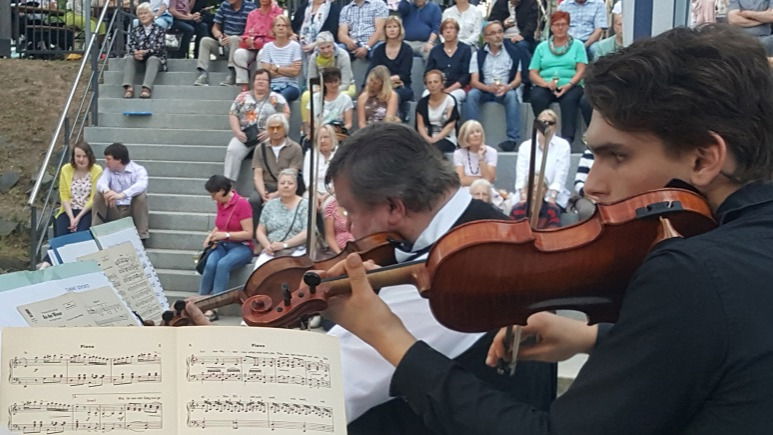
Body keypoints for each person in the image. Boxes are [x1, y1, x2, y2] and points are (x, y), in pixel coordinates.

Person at [319, 24, 773, 433]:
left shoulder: (690, 271)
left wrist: (390, 338)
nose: (592, 184)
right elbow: (729, 338)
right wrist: (595, 337)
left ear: (703, 159)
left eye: (617, 156)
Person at [318, 123, 556, 433]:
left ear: (393, 206)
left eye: (351, 212)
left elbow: (326, 388)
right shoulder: (486, 223)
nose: (349, 228)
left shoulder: (447, 274)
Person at [198, 175, 254, 320]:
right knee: (210, 264)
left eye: (213, 194)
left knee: (223, 264)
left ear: (222, 191)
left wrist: (226, 235)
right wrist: (211, 235)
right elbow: (220, 224)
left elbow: (248, 233)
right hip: (223, 244)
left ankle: (214, 306)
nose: (213, 198)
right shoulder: (220, 202)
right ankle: (201, 302)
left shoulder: (242, 204)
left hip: (241, 246)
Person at [529, 11, 587, 145]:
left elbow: (581, 69)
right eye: (556, 25)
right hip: (546, 84)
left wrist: (569, 84)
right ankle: (542, 133)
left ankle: (567, 139)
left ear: (568, 26)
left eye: (563, 24)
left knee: (570, 100)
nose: (560, 28)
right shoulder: (542, 47)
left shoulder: (578, 45)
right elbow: (533, 72)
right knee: (537, 97)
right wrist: (545, 84)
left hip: (571, 84)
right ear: (551, 27)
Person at [466, 20, 524, 151]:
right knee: (471, 95)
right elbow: (473, 81)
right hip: (485, 89)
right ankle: (471, 135)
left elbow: (518, 79)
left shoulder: (514, 52)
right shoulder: (478, 54)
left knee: (512, 95)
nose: (497, 36)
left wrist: (507, 87)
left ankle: (512, 139)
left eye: (500, 32)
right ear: (486, 38)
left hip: (505, 89)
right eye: (493, 33)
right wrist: (488, 88)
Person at [223, 69, 290, 183]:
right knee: (232, 150)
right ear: (253, 81)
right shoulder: (243, 96)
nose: (261, 82)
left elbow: (286, 113)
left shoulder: (275, 97)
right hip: (246, 134)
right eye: (258, 79)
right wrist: (237, 131)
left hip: (268, 134)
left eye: (264, 79)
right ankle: (229, 185)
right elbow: (233, 113)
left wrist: (271, 131)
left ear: (269, 82)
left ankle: (274, 182)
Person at [510, 109, 571, 228]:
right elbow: (521, 175)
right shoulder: (525, 146)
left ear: (556, 126)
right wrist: (524, 195)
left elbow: (561, 176)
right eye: (543, 122)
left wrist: (551, 196)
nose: (546, 125)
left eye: (550, 123)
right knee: (517, 210)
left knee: (551, 210)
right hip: (527, 192)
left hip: (551, 194)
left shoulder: (563, 146)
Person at [249, 113, 304, 226]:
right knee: (254, 200)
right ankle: (256, 235)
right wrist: (263, 193)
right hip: (266, 185)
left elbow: (293, 174)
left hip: (287, 184)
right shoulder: (260, 148)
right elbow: (257, 174)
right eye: (271, 128)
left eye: (278, 127)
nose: (275, 131)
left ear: (285, 129)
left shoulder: (295, 148)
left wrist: (276, 194)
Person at [93, 143, 150, 241]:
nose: (105, 162)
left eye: (108, 159)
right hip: (113, 208)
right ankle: (97, 233)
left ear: (118, 159)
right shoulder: (108, 171)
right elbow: (100, 183)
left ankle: (142, 236)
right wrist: (107, 192)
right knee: (99, 194)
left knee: (141, 196)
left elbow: (141, 185)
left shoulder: (138, 170)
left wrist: (122, 195)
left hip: (131, 210)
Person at [254, 168, 309, 269]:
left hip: (297, 250)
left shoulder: (305, 205)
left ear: (296, 186)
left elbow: (307, 232)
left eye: (290, 183)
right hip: (272, 250)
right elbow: (260, 231)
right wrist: (267, 246)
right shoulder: (270, 205)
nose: (286, 186)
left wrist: (285, 245)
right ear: (278, 186)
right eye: (282, 183)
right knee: (259, 271)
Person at [193, 0, 256, 86]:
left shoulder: (250, 7)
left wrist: (236, 38)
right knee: (205, 41)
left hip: (240, 46)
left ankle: (232, 73)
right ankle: (203, 73)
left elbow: (252, 31)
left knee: (234, 39)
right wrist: (218, 34)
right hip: (224, 44)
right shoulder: (225, 5)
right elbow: (215, 27)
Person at [301, 31, 357, 126]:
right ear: (318, 48)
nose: (326, 50)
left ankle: (338, 124)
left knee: (343, 96)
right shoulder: (314, 58)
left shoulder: (343, 55)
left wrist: (329, 91)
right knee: (306, 96)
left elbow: (345, 82)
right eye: (322, 48)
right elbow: (311, 81)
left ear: (333, 45)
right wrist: (318, 89)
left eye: (328, 47)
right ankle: (307, 126)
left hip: (343, 86)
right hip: (322, 87)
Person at [366, 16, 414, 116]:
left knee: (392, 95)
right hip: (380, 84)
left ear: (400, 29)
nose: (392, 30)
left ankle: (394, 118)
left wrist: (386, 81)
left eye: (395, 26)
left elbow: (404, 74)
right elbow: (373, 70)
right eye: (389, 27)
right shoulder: (379, 50)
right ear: (385, 30)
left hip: (400, 86)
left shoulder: (407, 50)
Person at [54, 142, 103, 237]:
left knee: (79, 236)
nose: (81, 159)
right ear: (73, 157)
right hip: (68, 210)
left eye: (84, 156)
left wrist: (78, 217)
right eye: (78, 156)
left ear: (89, 156)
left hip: (86, 211)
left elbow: (94, 198)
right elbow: (64, 195)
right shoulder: (66, 169)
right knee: (61, 236)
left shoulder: (97, 170)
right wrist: (71, 217)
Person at [232, 0, 284, 88]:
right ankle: (244, 85)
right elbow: (246, 33)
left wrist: (260, 39)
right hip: (253, 47)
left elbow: (276, 35)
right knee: (239, 53)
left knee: (262, 53)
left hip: (268, 46)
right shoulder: (252, 14)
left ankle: (261, 84)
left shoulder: (277, 13)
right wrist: (247, 39)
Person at [122, 2, 167, 99]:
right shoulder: (136, 30)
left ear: (151, 15)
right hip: (139, 59)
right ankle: (128, 87)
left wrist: (146, 52)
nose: (143, 16)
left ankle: (146, 88)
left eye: (145, 13)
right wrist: (135, 52)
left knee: (153, 59)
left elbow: (160, 47)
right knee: (130, 58)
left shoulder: (160, 29)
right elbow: (131, 45)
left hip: (155, 60)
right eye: (140, 14)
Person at [424, 18, 472, 103]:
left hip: (458, 88)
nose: (448, 31)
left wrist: (449, 90)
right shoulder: (435, 50)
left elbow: (466, 76)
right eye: (445, 29)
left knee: (451, 99)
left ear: (457, 31)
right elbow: (428, 73)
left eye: (451, 28)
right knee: (425, 96)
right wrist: (437, 88)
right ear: (441, 33)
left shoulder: (465, 49)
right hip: (436, 87)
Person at [258, 15, 303, 102]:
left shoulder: (295, 46)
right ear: (273, 29)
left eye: (284, 26)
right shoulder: (267, 47)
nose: (281, 28)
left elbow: (295, 72)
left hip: (291, 86)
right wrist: (287, 69)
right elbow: (266, 74)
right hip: (271, 85)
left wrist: (276, 68)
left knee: (280, 97)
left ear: (288, 28)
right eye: (278, 25)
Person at [415, 69, 460, 153]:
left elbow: (450, 125)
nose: (432, 85)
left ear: (442, 84)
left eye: (435, 82)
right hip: (427, 137)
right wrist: (427, 138)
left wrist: (435, 139)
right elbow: (420, 126)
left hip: (446, 137)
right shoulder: (422, 102)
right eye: (429, 82)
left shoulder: (450, 100)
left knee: (433, 150)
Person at [303, 67, 353, 138]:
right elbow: (310, 121)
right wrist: (322, 131)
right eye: (330, 82)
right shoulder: (315, 98)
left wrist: (338, 130)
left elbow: (348, 123)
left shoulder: (346, 99)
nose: (333, 85)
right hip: (318, 133)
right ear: (324, 83)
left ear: (340, 81)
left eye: (336, 81)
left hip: (337, 135)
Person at [303, 123, 339, 207]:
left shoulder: (339, 154)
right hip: (313, 191)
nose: (322, 141)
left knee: (329, 204)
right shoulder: (310, 154)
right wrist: (316, 195)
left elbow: (341, 180)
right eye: (319, 138)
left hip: (334, 192)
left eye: (326, 137)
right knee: (308, 202)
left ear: (332, 138)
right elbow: (307, 179)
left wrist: (326, 196)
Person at [453, 119, 497, 186]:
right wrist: (483, 179)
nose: (476, 135)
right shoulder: (459, 153)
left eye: (478, 131)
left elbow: (489, 180)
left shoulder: (492, 152)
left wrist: (481, 158)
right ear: (465, 136)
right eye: (471, 133)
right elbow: (461, 180)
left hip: (485, 190)